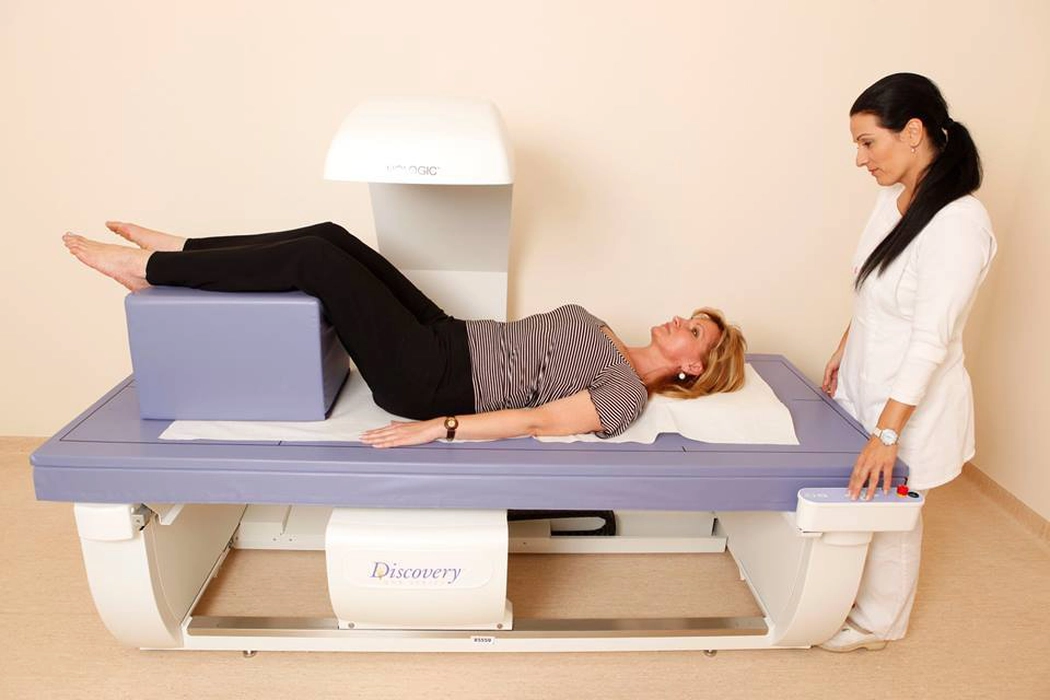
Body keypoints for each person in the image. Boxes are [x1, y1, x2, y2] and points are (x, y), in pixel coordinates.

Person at [63, 221, 747, 447]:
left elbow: (537, 420)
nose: (679, 320)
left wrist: (436, 428)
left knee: (317, 262)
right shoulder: (608, 335)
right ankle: (183, 250)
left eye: (694, 330)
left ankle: (147, 269)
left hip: (433, 379)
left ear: (693, 367)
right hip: (448, 337)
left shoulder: (626, 393)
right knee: (333, 236)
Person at [819, 73, 997, 652]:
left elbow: (930, 339)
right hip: (866, 377)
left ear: (913, 132)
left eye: (868, 142)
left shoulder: (959, 223)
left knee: (894, 509)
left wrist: (887, 433)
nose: (860, 158)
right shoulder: (890, 200)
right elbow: (871, 285)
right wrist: (845, 347)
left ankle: (879, 624)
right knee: (860, 499)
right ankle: (843, 598)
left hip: (911, 398)